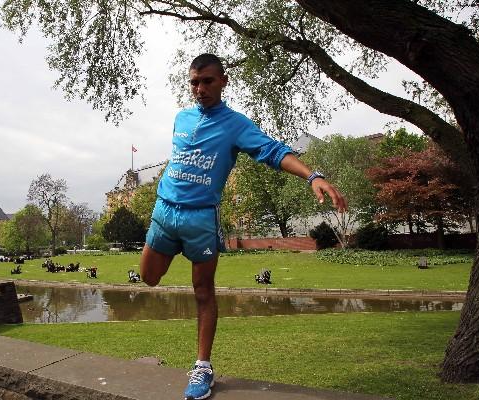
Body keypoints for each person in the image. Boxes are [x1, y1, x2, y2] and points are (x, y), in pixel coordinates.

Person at [139, 53, 347, 400]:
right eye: (194, 82)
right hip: (164, 212)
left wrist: (312, 175)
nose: (200, 88)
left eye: (207, 81)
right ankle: (171, 246)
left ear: (223, 81)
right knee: (148, 277)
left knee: (203, 291)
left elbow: (272, 150)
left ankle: (202, 367)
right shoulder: (182, 118)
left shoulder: (235, 124)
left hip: (201, 218)